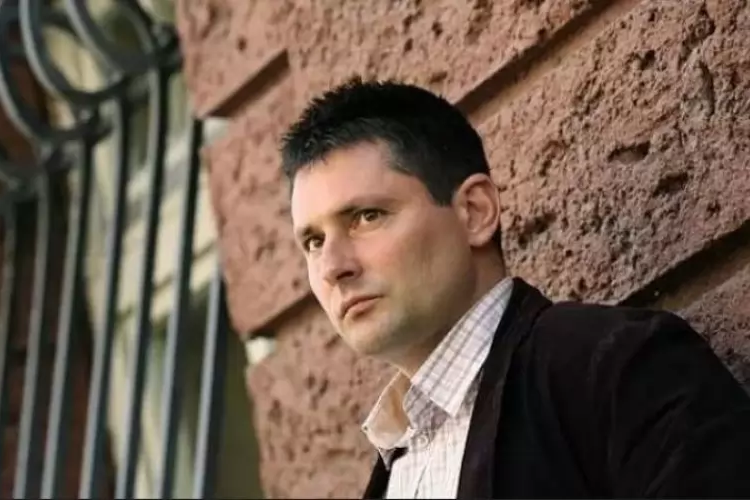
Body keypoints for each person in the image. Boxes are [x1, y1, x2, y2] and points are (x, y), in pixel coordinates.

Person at [279, 77, 750, 499]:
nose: (333, 266)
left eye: (367, 217)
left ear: (475, 212)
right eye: (313, 241)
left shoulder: (618, 365)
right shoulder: (391, 470)